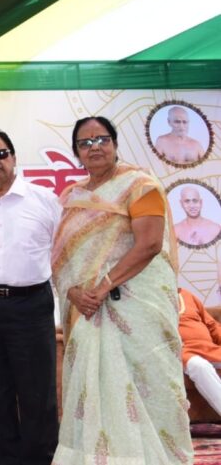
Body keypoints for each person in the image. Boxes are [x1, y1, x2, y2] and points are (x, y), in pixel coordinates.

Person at [52, 116, 192, 462]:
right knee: (95, 389)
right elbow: (64, 260)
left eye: (102, 139)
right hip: (87, 311)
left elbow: (149, 245)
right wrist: (73, 292)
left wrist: (103, 287)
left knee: (150, 387)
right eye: (85, 143)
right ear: (76, 153)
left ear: (115, 144)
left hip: (135, 308)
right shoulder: (74, 197)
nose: (94, 147)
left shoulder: (140, 185)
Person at [0, 130, 60, 464]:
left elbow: (63, 254)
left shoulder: (45, 200)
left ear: (14, 157)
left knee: (38, 395)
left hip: (32, 305)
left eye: (1, 154)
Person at [178, 287, 221, 416]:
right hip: (182, 351)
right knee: (200, 366)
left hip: (209, 348)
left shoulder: (187, 295)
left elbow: (212, 325)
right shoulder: (152, 298)